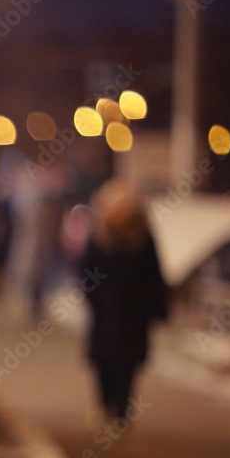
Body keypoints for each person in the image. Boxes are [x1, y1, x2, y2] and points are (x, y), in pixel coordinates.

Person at [81, 178, 169, 428]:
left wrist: (157, 308)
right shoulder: (99, 235)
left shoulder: (143, 237)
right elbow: (86, 272)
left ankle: (122, 410)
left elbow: (154, 275)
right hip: (105, 313)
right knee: (103, 362)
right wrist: (95, 298)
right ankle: (104, 404)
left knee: (128, 363)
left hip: (134, 313)